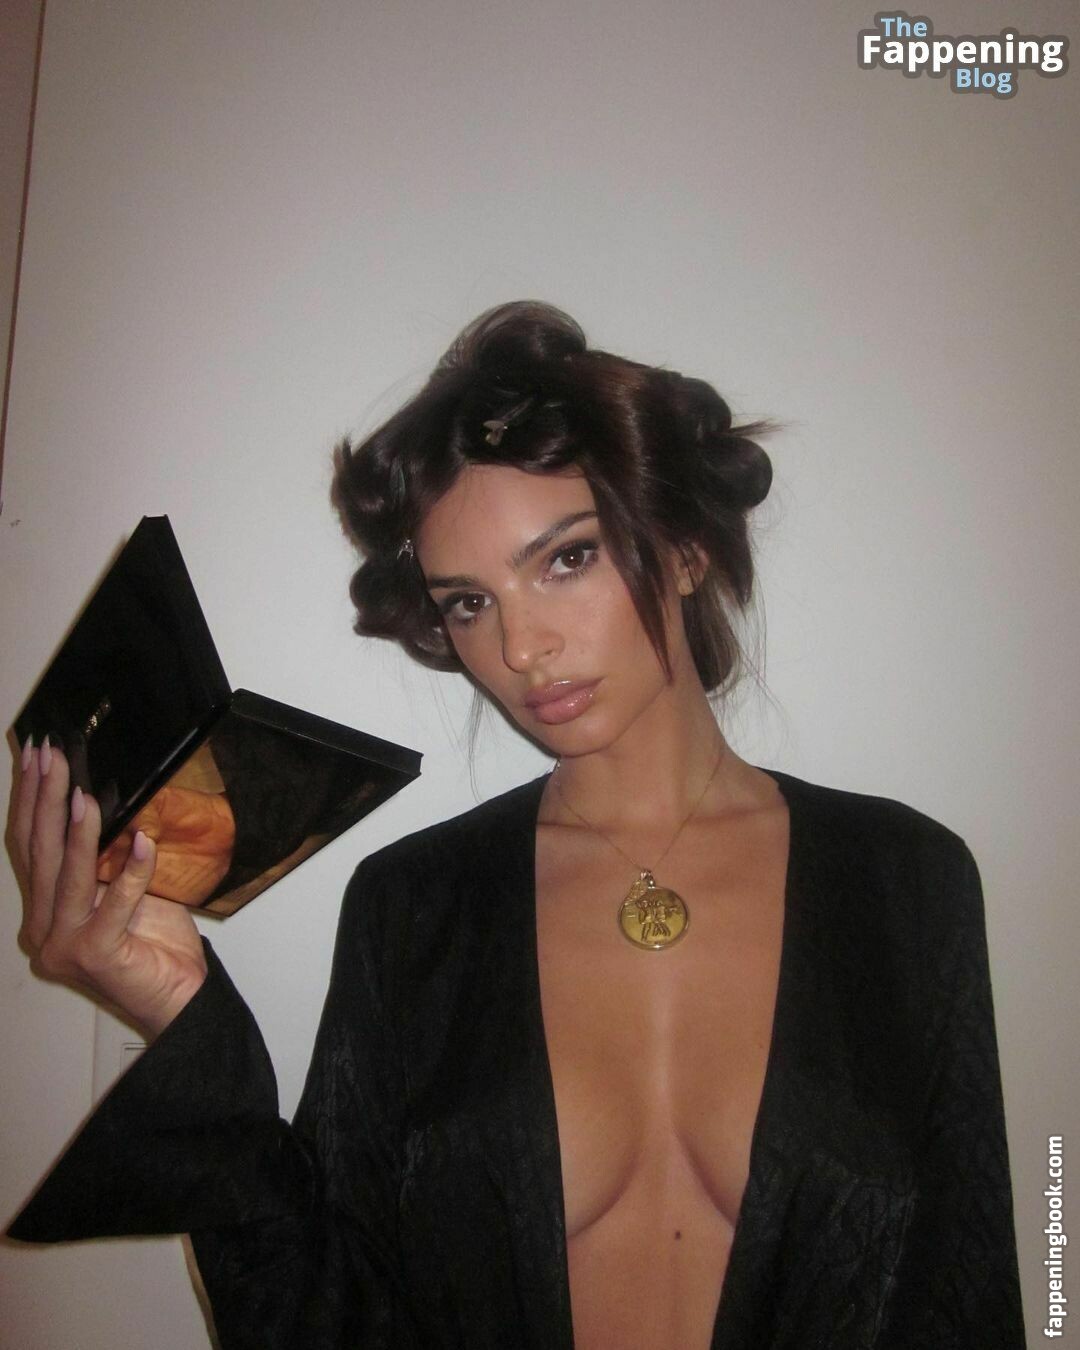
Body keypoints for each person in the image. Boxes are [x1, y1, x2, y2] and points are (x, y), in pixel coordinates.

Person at [8, 301, 1024, 1348]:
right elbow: (328, 1319)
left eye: (566, 559)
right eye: (469, 602)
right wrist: (182, 1013)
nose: (521, 647)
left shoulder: (905, 883)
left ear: (684, 549)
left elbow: (971, 1287)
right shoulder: (415, 909)